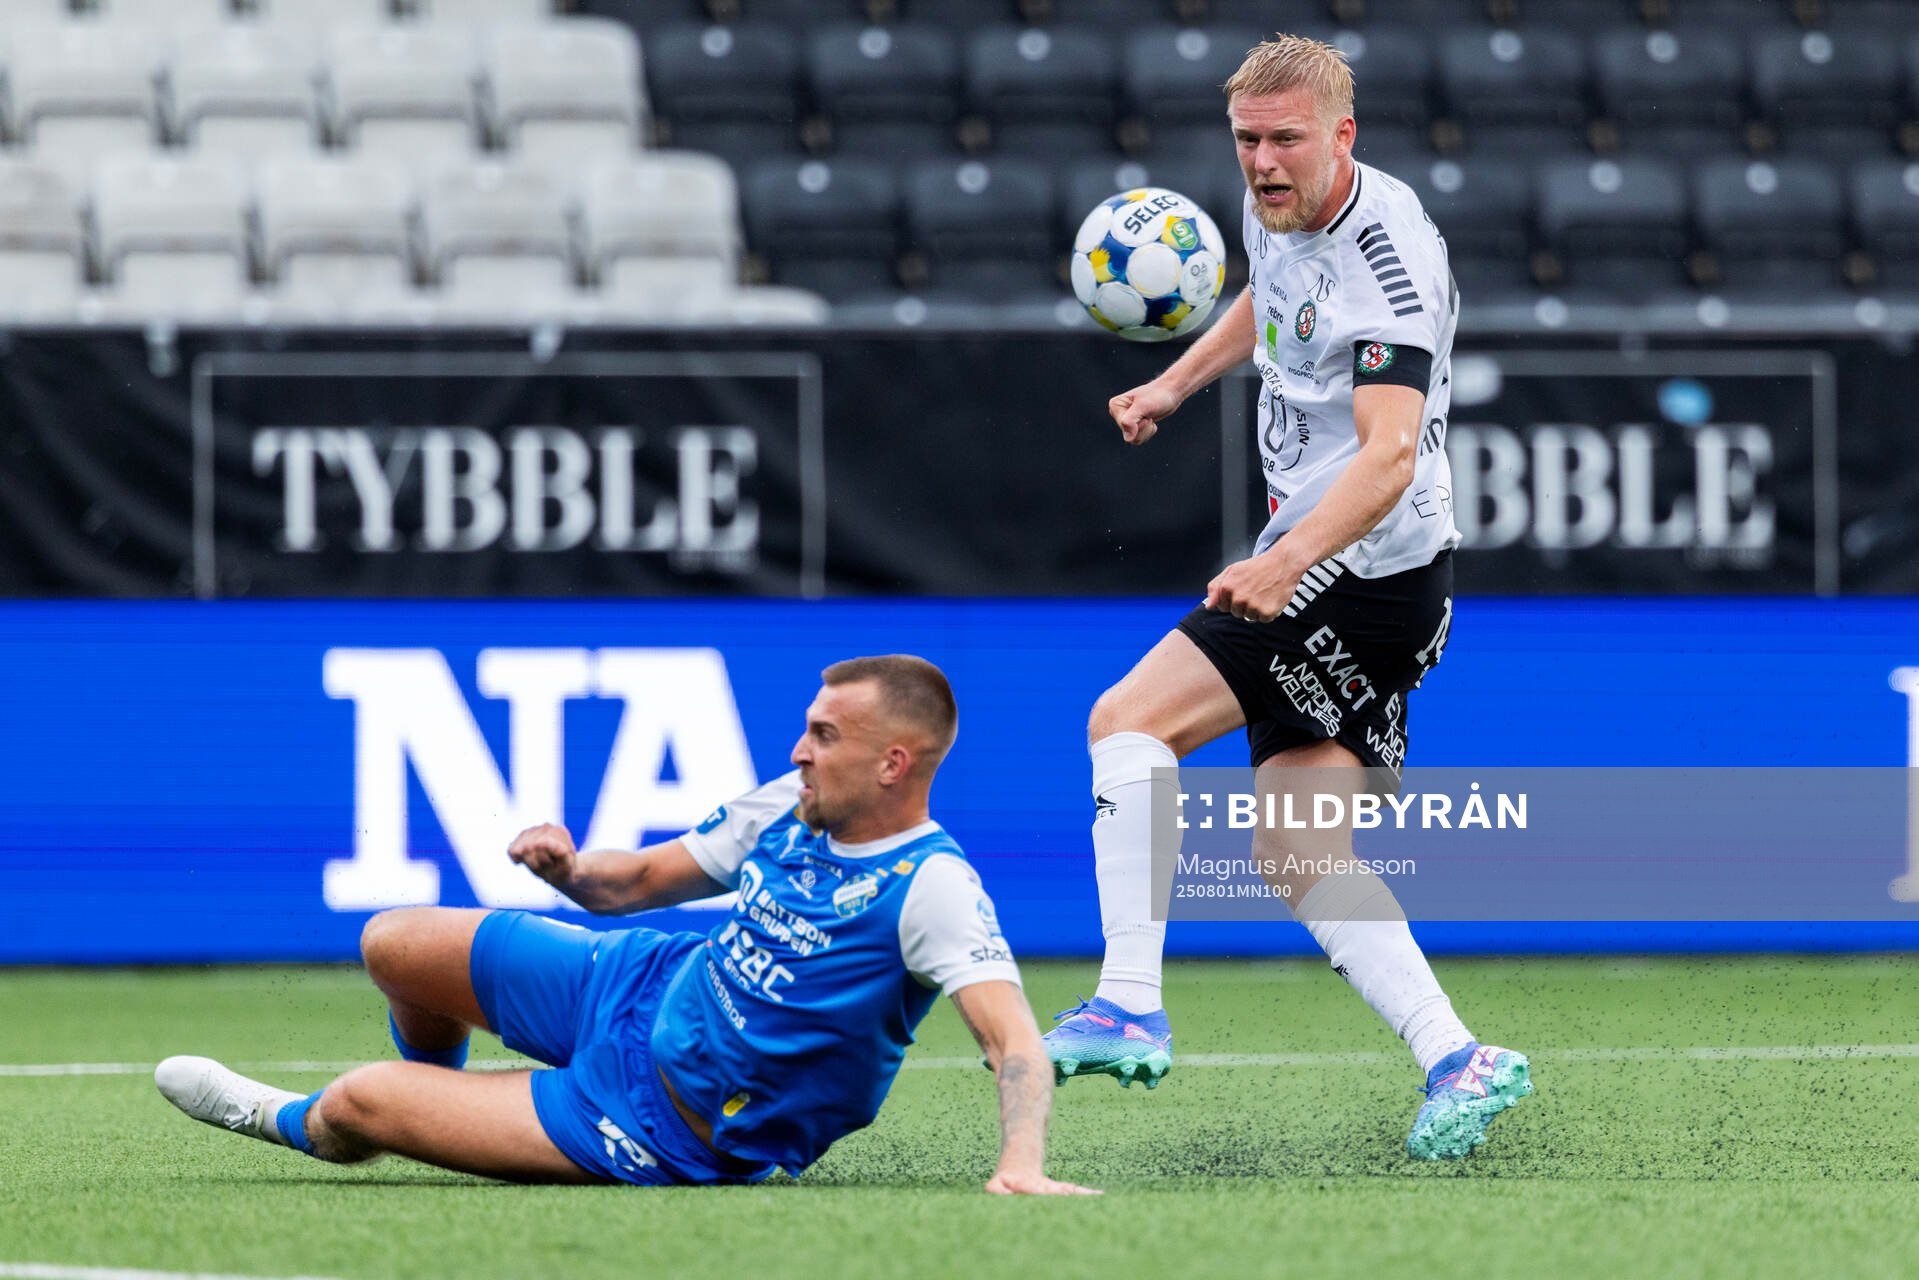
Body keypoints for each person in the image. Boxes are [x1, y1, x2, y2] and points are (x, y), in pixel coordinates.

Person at [1040, 35, 1533, 1159]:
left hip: (1350, 568)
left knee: (1126, 719)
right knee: (1300, 852)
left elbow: (1387, 455)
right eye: (1246, 140)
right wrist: (1172, 379)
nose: (1261, 163)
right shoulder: (1276, 205)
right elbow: (1268, 293)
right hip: (1374, 580)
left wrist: (1277, 564)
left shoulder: (1388, 261)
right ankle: (1457, 1056)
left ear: (1341, 136)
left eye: (1284, 141)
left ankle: (1125, 995)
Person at [157, 655, 1097, 1195]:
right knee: (392, 945)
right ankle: (438, 1098)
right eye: (806, 727)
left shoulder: (930, 885)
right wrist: (570, 872)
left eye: (823, 736)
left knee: (359, 1103)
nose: (798, 750)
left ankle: (292, 1121)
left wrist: (1020, 1165)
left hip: (664, 1125)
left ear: (894, 764)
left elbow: (1014, 1042)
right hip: (639, 985)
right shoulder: (788, 802)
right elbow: (636, 882)